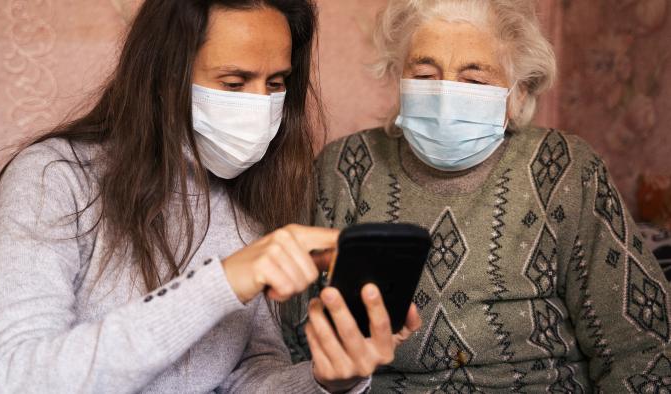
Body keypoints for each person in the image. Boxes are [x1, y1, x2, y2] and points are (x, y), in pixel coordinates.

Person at [0, 1, 421, 393]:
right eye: (233, 82)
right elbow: (7, 381)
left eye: (276, 83)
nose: (260, 105)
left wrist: (329, 382)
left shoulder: (245, 190)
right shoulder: (54, 179)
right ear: (165, 76)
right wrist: (222, 281)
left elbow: (248, 375)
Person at [283, 0, 671, 392]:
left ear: (517, 94)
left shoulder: (565, 168)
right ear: (399, 81)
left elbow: (641, 346)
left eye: (474, 81)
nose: (445, 95)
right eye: (424, 73)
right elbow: (295, 341)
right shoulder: (343, 168)